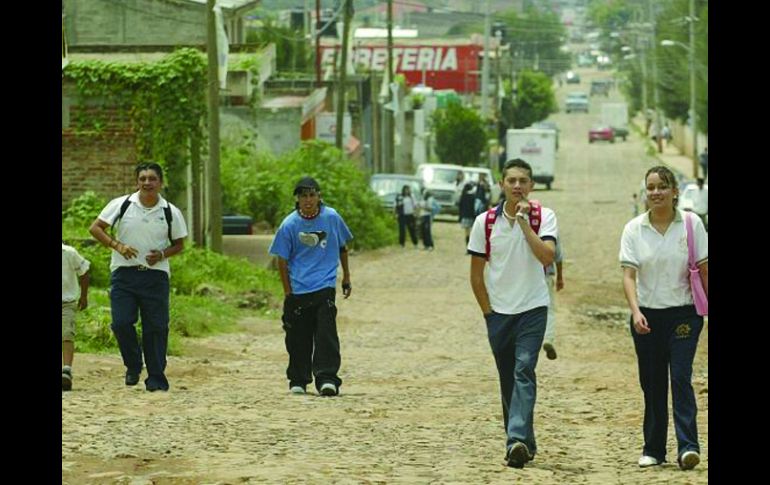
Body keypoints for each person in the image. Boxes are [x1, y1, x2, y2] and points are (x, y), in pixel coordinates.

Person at [468, 158, 558, 468]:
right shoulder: (484, 222)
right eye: (511, 181)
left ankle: (515, 438)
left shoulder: (544, 217)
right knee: (508, 379)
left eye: (523, 181)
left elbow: (547, 256)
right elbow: (476, 275)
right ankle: (523, 442)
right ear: (502, 185)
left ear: (531, 185)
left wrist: (523, 222)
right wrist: (488, 313)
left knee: (523, 370)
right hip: (499, 313)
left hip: (532, 308)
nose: (517, 186)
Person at [619, 165, 707, 470]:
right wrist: (635, 312)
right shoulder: (634, 229)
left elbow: (704, 270)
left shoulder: (691, 224)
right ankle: (654, 449)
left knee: (680, 377)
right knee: (653, 383)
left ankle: (688, 447)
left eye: (662, 186)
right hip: (648, 317)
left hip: (684, 314)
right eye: (651, 187)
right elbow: (629, 276)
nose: (656, 192)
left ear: (674, 191)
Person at [89, 162, 188, 392]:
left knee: (156, 327)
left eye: (152, 178)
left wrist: (162, 254)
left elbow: (179, 244)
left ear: (160, 182)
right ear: (137, 182)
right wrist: (118, 245)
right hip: (124, 274)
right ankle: (133, 364)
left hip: (155, 276)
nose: (147, 183)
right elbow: (96, 228)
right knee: (121, 323)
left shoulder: (170, 211)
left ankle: (156, 378)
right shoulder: (122, 205)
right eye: (142, 178)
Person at [268, 176, 353, 397]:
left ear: (319, 197)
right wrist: (288, 292)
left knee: (326, 333)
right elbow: (282, 260)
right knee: (298, 336)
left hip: (325, 285)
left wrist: (346, 276)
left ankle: (327, 378)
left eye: (312, 195)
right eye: (303, 196)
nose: (308, 200)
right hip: (299, 287)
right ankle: (298, 379)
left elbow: (342, 247)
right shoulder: (289, 225)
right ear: (297, 199)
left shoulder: (331, 218)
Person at [62, 243, 90, 391]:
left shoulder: (69, 253)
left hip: (66, 302)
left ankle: (66, 369)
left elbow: (84, 273)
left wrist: (84, 296)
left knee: (67, 333)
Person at [542, 238, 563, 360]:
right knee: (548, 309)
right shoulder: (550, 229)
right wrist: (560, 277)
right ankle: (547, 338)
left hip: (526, 276)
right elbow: (558, 255)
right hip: (546, 274)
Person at [458, 182, 477, 246]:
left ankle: (467, 244)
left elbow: (460, 207)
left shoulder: (463, 196)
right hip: (471, 216)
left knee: (467, 231)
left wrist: (460, 216)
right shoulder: (473, 196)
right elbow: (474, 207)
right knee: (472, 231)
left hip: (465, 216)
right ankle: (472, 244)